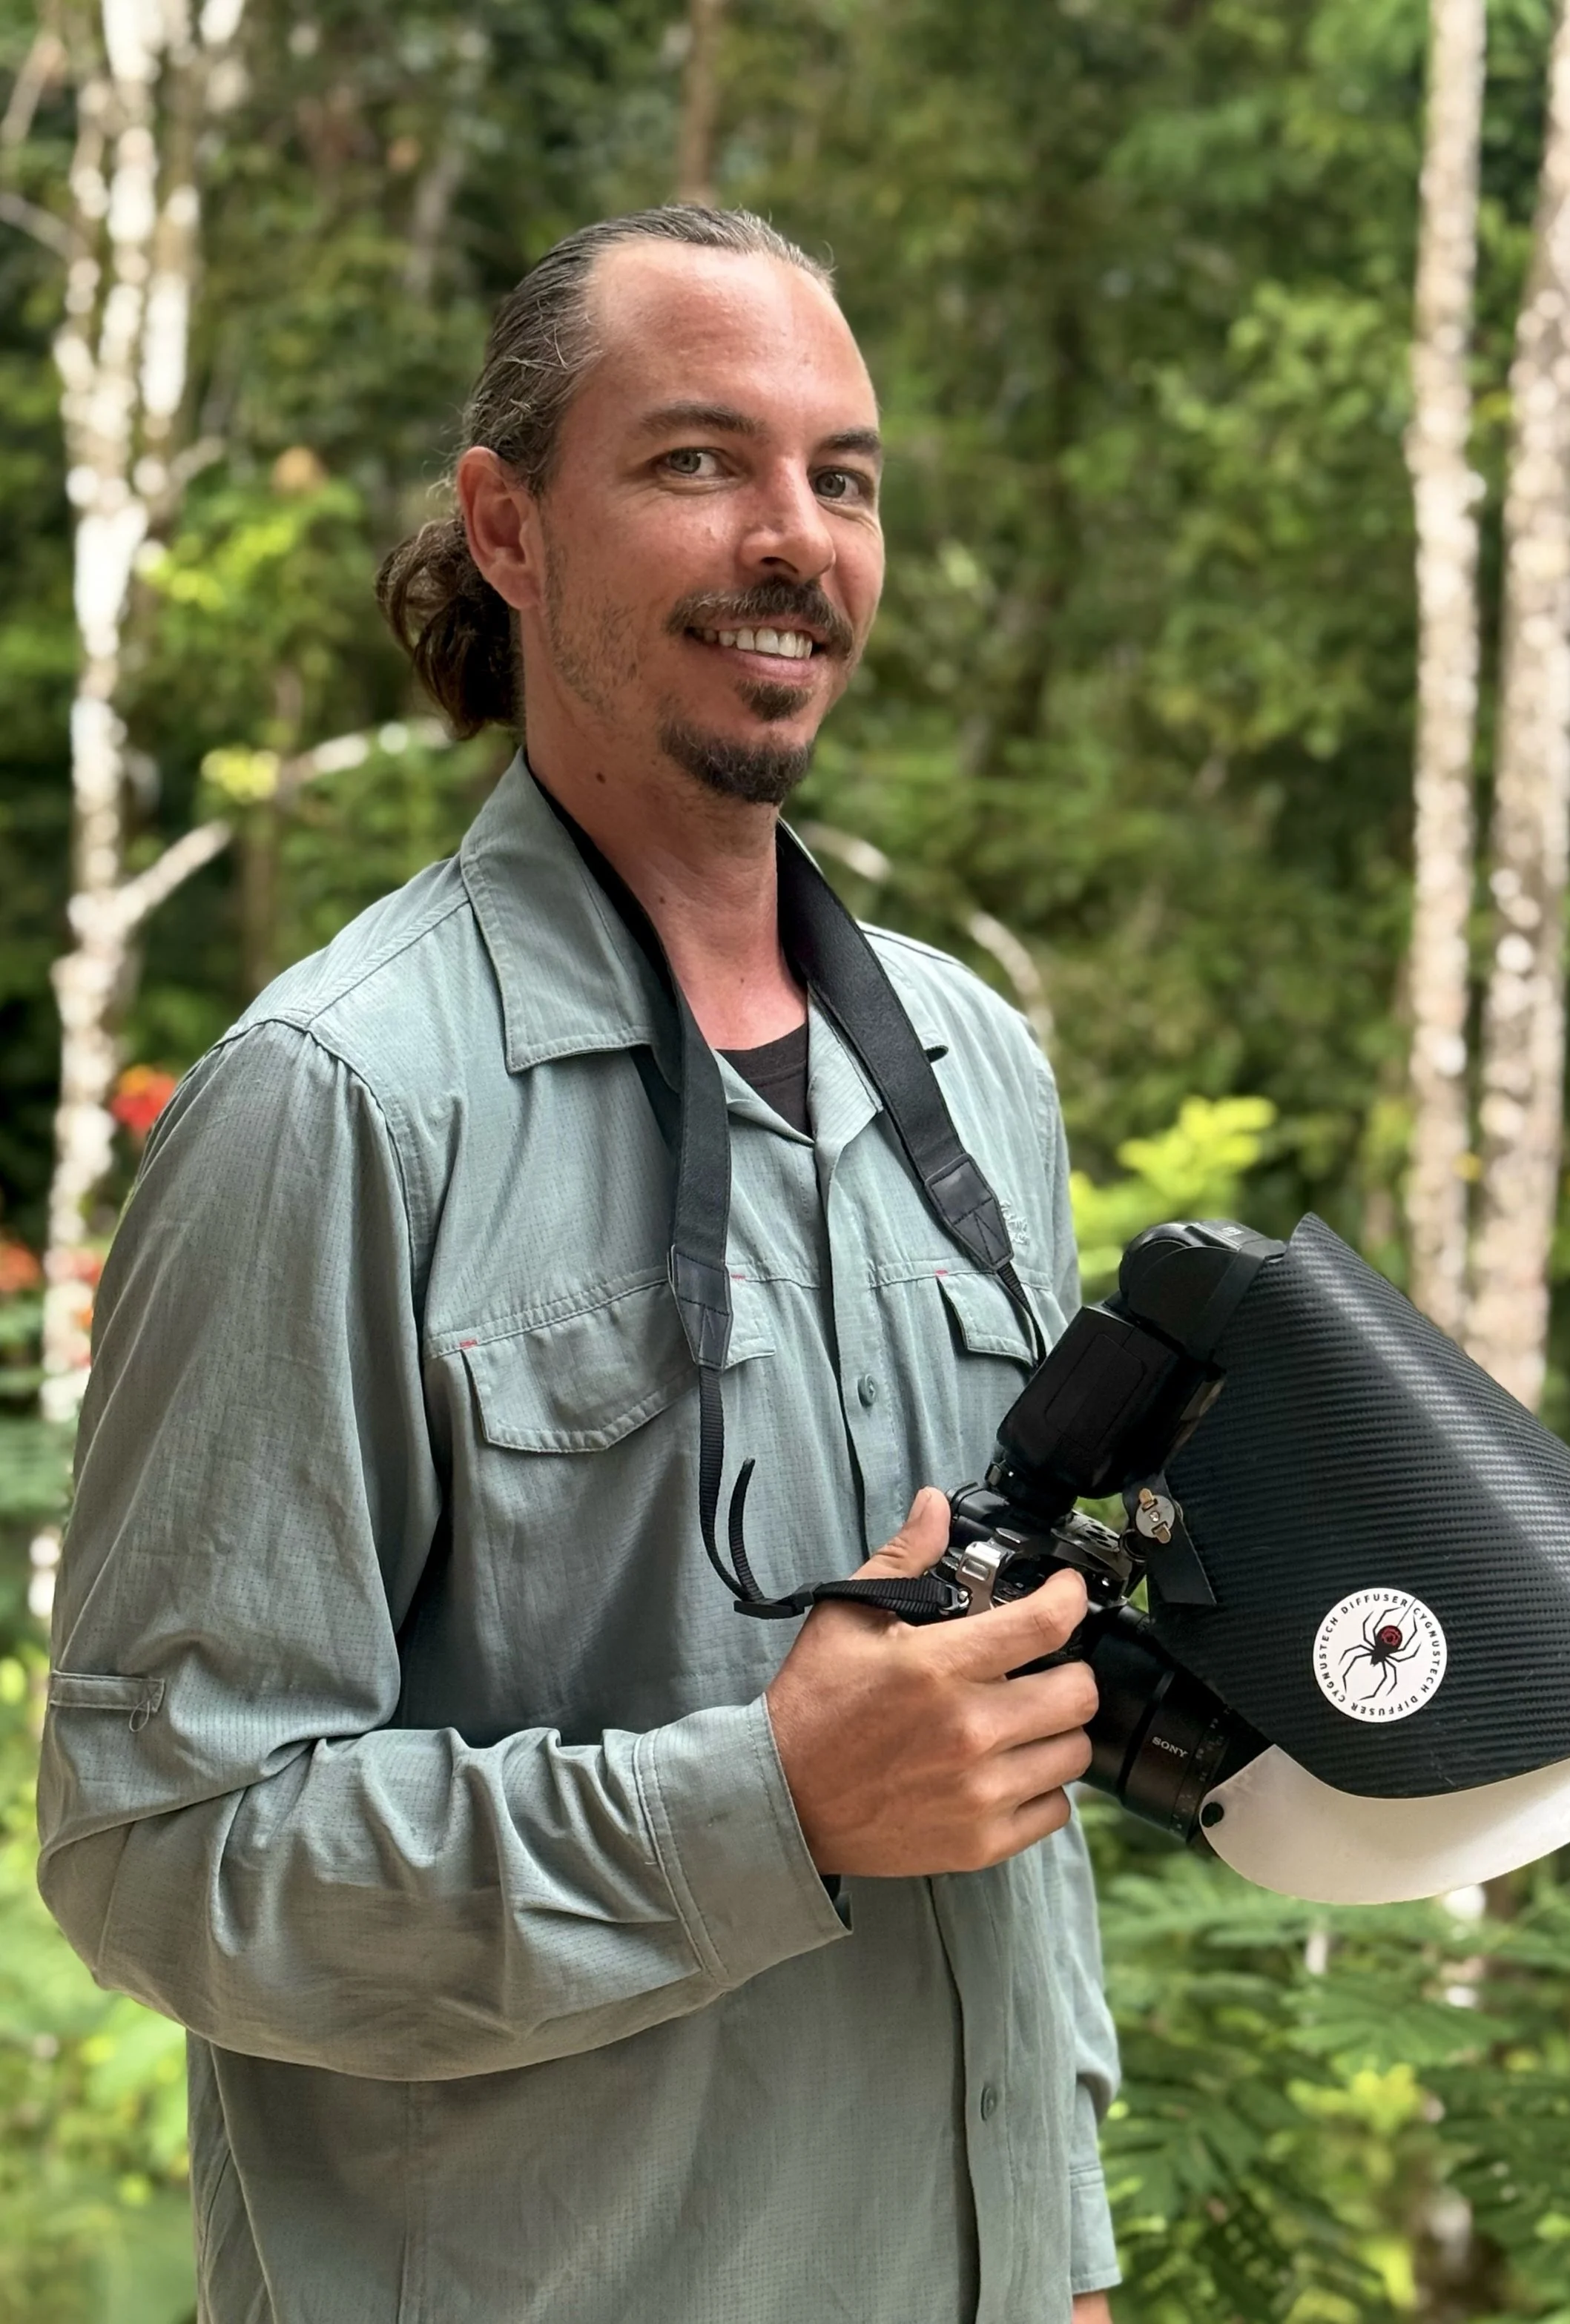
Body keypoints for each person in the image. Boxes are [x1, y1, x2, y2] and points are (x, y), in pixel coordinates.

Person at [37, 208, 1120, 2324]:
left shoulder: (974, 1073)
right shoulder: (336, 1100)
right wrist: (764, 1806)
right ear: (506, 528)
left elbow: (991, 1748)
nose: (794, 536)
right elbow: (158, 1852)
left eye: (844, 475)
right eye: (698, 461)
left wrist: (1058, 2247)